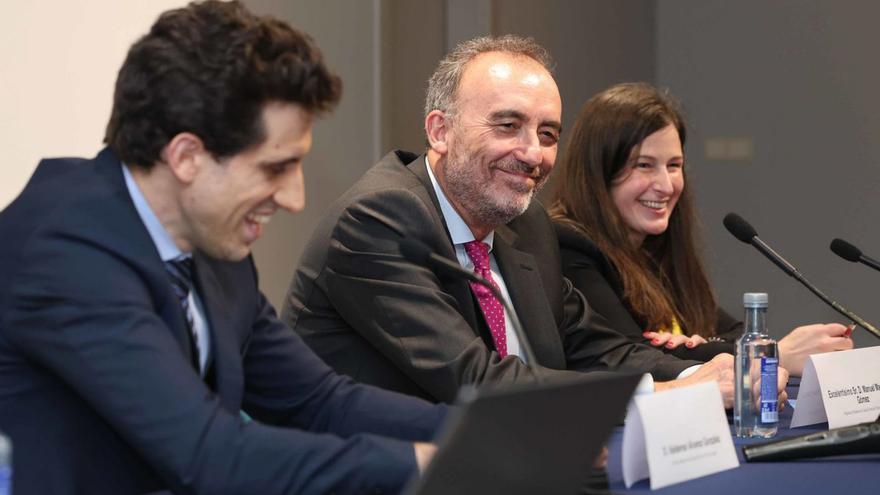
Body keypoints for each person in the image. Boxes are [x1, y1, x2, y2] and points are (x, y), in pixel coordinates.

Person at [0, 2, 446, 494]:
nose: (295, 199)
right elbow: (210, 456)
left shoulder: (208, 242)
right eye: (275, 168)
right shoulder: (66, 251)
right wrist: (417, 464)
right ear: (187, 156)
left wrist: (477, 434)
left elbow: (319, 402)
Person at [282, 36, 776, 407]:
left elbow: (597, 349)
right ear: (441, 130)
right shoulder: (378, 220)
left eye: (547, 133)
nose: (533, 153)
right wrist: (673, 396)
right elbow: (480, 383)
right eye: (507, 126)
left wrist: (708, 374)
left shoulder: (527, 225)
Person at [548, 82, 853, 375]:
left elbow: (733, 331)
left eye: (674, 165)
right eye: (644, 165)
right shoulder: (570, 245)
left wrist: (700, 347)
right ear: (599, 170)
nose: (666, 186)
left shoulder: (653, 249)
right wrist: (769, 355)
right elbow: (628, 356)